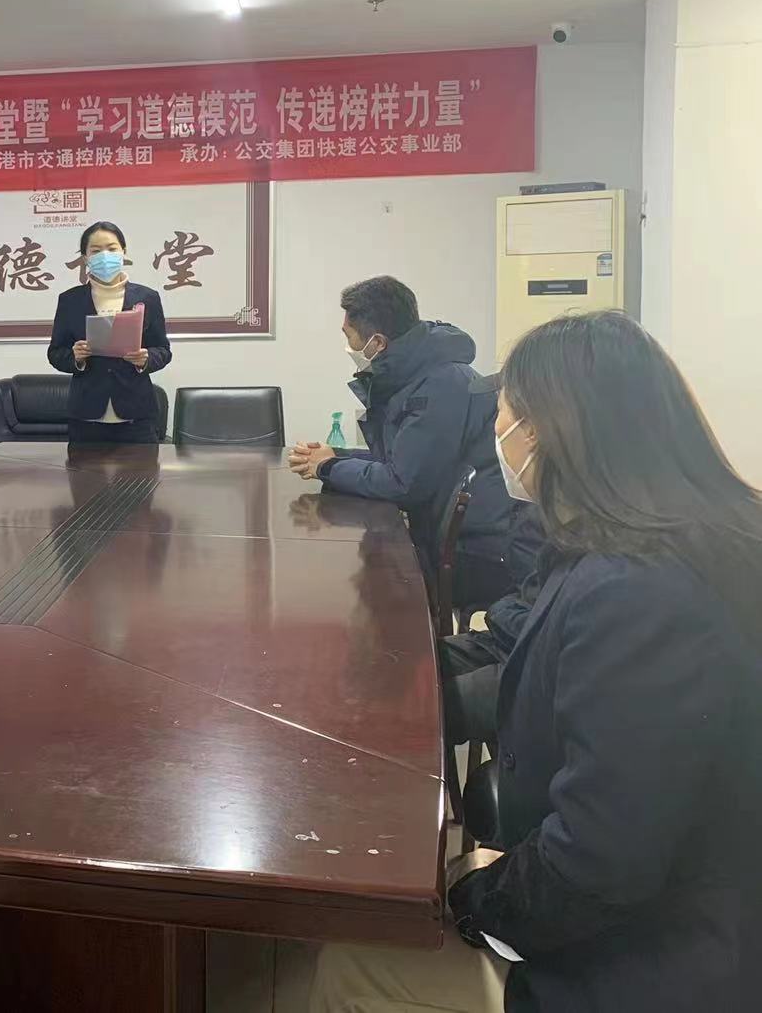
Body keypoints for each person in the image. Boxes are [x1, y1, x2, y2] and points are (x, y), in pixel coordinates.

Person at [306, 311, 762, 1012]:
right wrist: (394, 678)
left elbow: (599, 863)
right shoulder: (642, 539)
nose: (497, 432)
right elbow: (514, 640)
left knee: (356, 963)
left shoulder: (638, 591)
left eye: (505, 412)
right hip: (669, 891)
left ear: (549, 430)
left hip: (672, 955)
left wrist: (474, 896)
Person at [288, 275, 525, 610]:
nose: (348, 346)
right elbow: (400, 458)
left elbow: (402, 483)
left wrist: (328, 467)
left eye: (349, 336)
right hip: (450, 537)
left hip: (474, 553)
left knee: (358, 586)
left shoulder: (440, 385)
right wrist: (334, 456)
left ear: (377, 343)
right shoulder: (419, 374)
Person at [47, 220, 172, 444]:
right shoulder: (70, 300)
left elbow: (163, 350)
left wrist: (146, 359)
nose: (104, 256)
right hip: (86, 416)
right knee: (84, 469)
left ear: (123, 251)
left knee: (142, 469)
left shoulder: (147, 297)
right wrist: (76, 358)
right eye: (96, 251)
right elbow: (55, 353)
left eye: (112, 249)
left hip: (137, 415)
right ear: (85, 257)